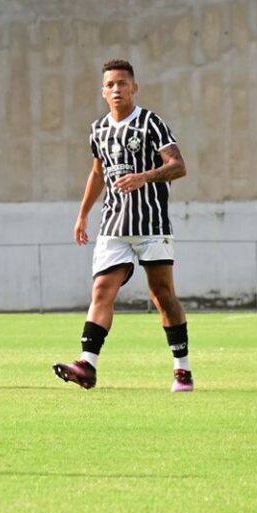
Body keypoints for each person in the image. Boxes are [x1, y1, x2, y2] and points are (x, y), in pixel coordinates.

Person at [55, 59, 191, 392]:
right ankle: (87, 365)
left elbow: (178, 165)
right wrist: (83, 213)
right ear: (103, 91)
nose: (116, 89)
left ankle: (182, 369)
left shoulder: (151, 123)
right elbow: (98, 173)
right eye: (110, 84)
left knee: (162, 296)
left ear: (134, 87)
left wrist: (144, 176)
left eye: (122, 83)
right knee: (101, 290)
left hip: (151, 225)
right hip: (114, 226)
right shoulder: (98, 129)